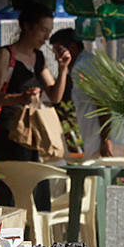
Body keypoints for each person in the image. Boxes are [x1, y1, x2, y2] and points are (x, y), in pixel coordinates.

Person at [0, 2, 71, 165]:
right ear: (27, 26)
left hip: (32, 132)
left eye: (49, 32)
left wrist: (63, 68)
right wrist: (21, 98)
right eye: (43, 30)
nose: (46, 37)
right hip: (9, 132)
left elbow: (55, 97)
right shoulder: (6, 55)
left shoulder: (39, 57)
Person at [49, 28, 118, 158]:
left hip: (100, 138)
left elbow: (102, 102)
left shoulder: (83, 67)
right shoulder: (83, 64)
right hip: (95, 135)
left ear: (72, 47)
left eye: (59, 51)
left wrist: (105, 139)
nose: (56, 58)